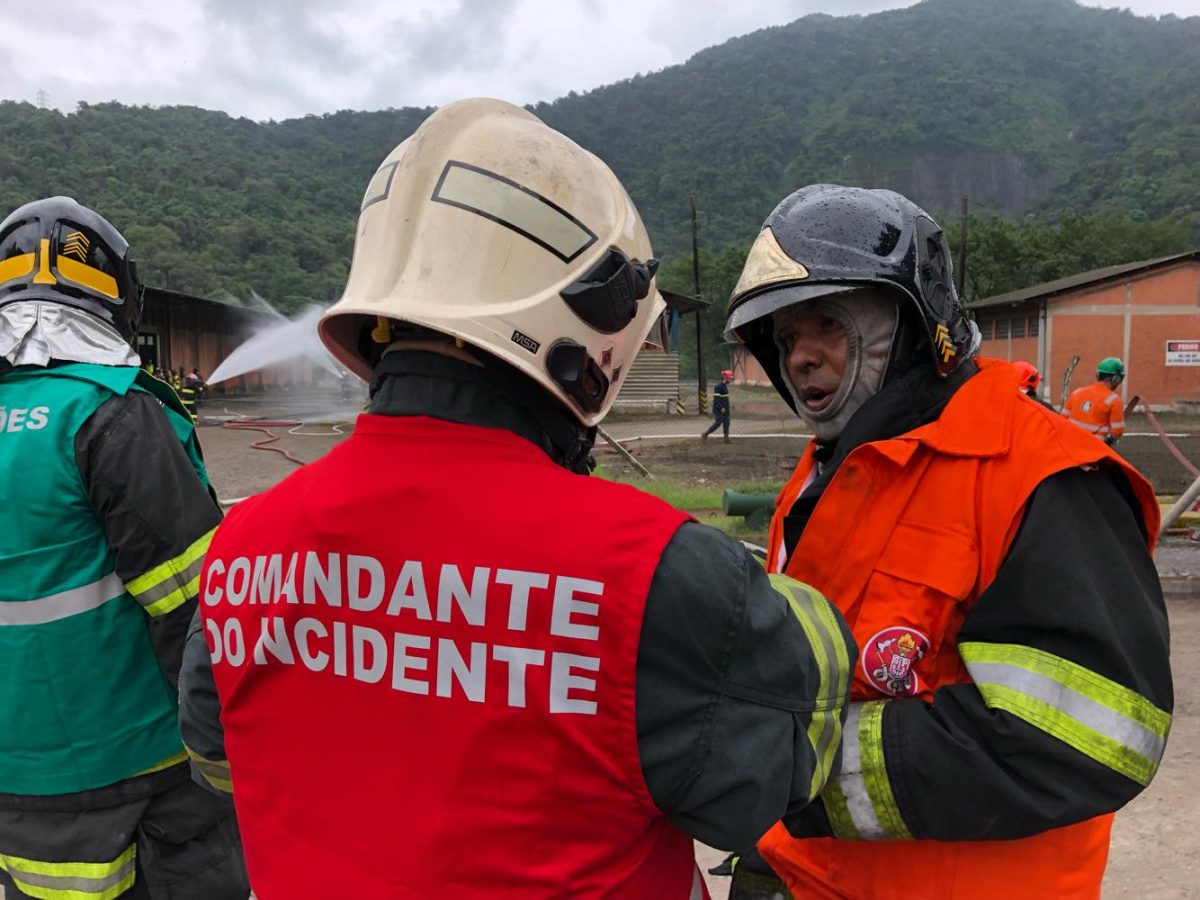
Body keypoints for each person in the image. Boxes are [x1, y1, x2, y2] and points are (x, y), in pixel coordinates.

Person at [178, 99, 857, 899]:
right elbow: (785, 761)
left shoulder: (241, 548)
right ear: (593, 321)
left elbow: (217, 758)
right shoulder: (655, 573)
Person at [721, 184, 1171, 900]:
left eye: (824, 328)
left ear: (912, 320)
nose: (800, 358)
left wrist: (798, 776)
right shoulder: (824, 476)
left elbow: (1093, 739)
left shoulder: (1041, 476)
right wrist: (765, 846)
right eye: (782, 340)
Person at [0, 197, 249, 898]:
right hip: (145, 774)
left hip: (18, 781)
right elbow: (198, 612)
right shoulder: (111, 413)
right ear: (118, 296)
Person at [1064, 356, 1127, 444]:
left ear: (1098, 375)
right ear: (1116, 379)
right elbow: (1117, 432)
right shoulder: (1114, 400)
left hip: (1069, 446)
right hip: (1095, 451)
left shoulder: (1076, 393)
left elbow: (1062, 420)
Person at [702, 368, 734, 441]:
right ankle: (705, 434)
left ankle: (726, 438)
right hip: (719, 409)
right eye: (730, 378)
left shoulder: (725, 386)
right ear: (726, 378)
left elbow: (725, 399)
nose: (731, 380)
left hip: (726, 409)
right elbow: (716, 400)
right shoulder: (718, 387)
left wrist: (727, 408)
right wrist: (721, 408)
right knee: (718, 423)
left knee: (727, 423)